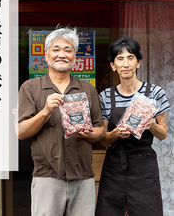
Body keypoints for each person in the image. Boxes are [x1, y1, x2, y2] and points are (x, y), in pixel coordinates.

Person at [17, 27, 105, 216]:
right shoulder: (30, 88)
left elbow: (101, 130)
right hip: (47, 177)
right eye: (56, 49)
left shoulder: (87, 90)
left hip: (83, 177)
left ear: (75, 56)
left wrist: (90, 134)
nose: (62, 54)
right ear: (46, 55)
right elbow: (21, 132)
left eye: (68, 50)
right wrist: (45, 112)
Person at [95, 37, 170, 216]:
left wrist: (150, 124)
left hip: (143, 165)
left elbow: (163, 133)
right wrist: (115, 134)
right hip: (114, 165)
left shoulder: (155, 92)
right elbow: (104, 140)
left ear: (138, 63)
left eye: (130, 58)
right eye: (120, 59)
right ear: (113, 65)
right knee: (109, 211)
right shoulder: (106, 95)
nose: (126, 63)